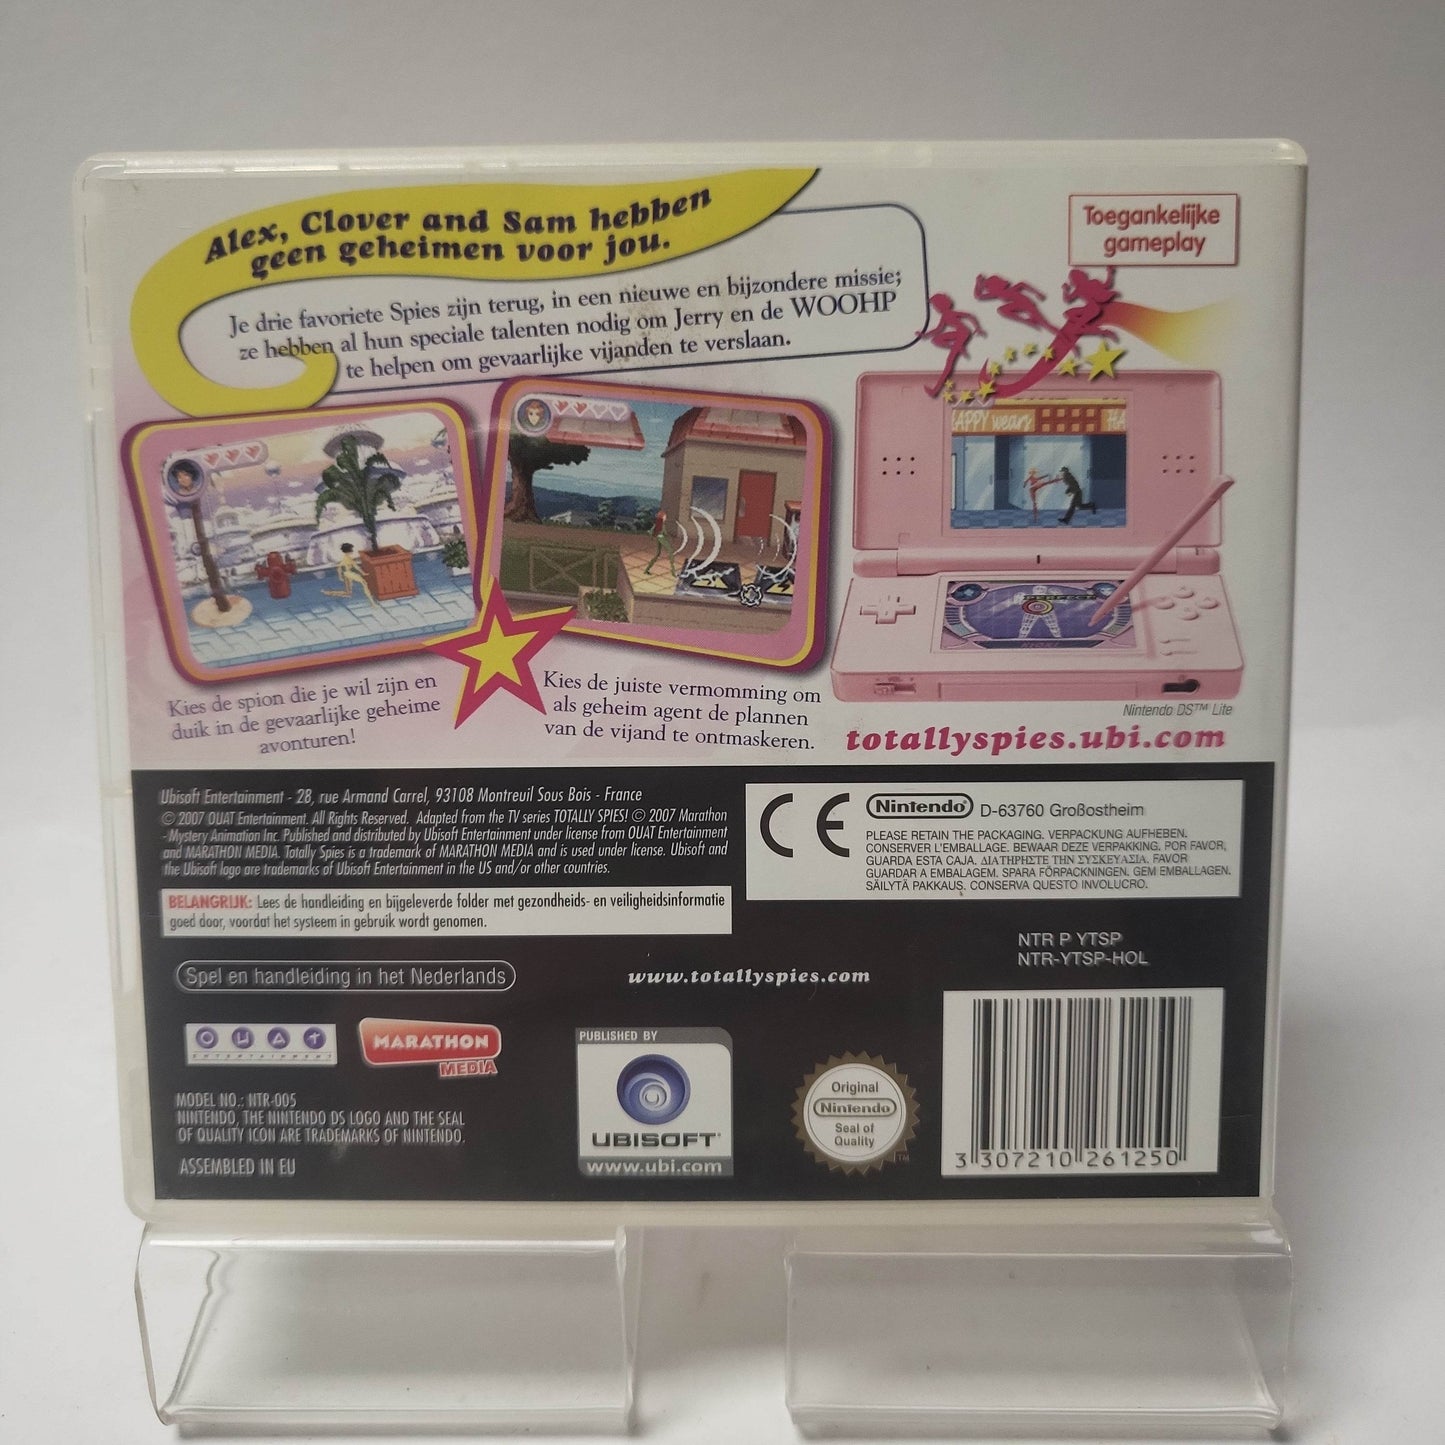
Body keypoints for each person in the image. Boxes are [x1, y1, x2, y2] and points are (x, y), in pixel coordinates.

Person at [643, 508, 675, 576]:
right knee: (670, 551)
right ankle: (673, 571)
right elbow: (665, 533)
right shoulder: (662, 524)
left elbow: (651, 531)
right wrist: (669, 536)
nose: (666, 517)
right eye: (665, 516)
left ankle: (646, 570)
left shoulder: (658, 523)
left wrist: (652, 536)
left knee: (657, 554)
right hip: (661, 538)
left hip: (658, 538)